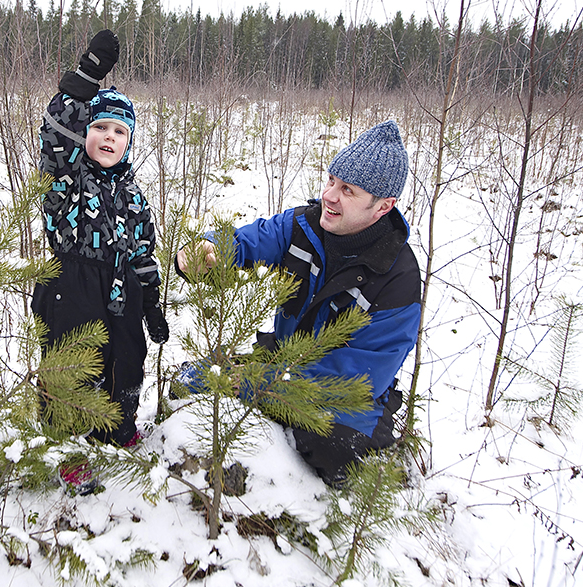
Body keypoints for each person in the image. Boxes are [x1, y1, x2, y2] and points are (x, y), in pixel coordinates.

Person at [175, 120, 421, 486]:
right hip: (283, 357)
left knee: (330, 446)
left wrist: (253, 383)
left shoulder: (397, 277)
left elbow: (354, 378)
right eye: (332, 181)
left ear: (383, 206)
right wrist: (206, 252)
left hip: (347, 394)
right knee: (188, 383)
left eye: (348, 190)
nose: (330, 196)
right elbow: (247, 241)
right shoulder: (302, 226)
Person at [32, 30, 168, 488]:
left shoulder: (134, 196)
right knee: (71, 364)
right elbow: (55, 138)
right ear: (85, 134)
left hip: (123, 289)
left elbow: (144, 250)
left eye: (119, 131)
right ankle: (68, 446)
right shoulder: (66, 181)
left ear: (128, 142)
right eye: (100, 127)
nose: (109, 137)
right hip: (72, 286)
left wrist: (150, 299)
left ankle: (119, 428)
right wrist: (84, 79)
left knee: (127, 359)